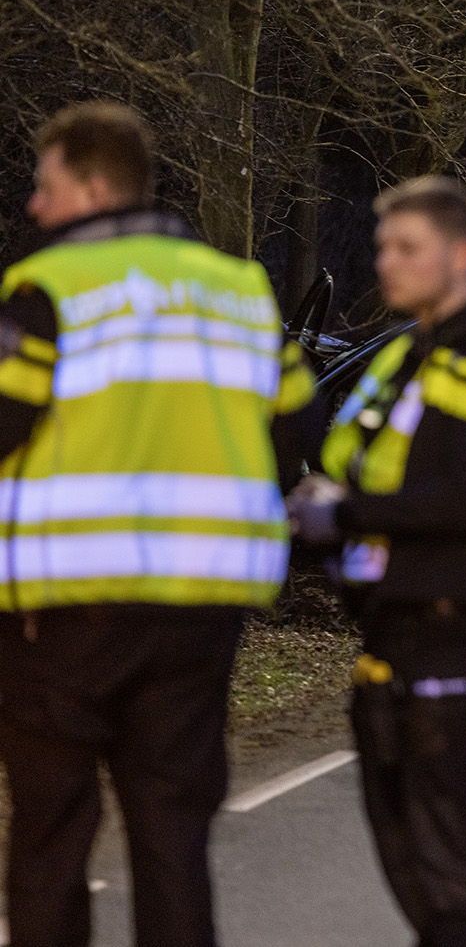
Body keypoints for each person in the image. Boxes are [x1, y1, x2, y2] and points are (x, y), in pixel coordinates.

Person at [0, 102, 318, 947]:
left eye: (47, 185)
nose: (36, 206)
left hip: (63, 610)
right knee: (173, 833)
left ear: (95, 186)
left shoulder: (48, 290)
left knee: (51, 834)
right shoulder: (239, 290)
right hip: (202, 608)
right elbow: (297, 426)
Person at [287, 177, 466, 946]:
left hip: (454, 630)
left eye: (408, 248)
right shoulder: (406, 355)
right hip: (389, 632)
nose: (387, 263)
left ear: (460, 255)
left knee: (453, 863)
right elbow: (353, 454)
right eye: (382, 247)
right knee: (408, 853)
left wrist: (343, 512)